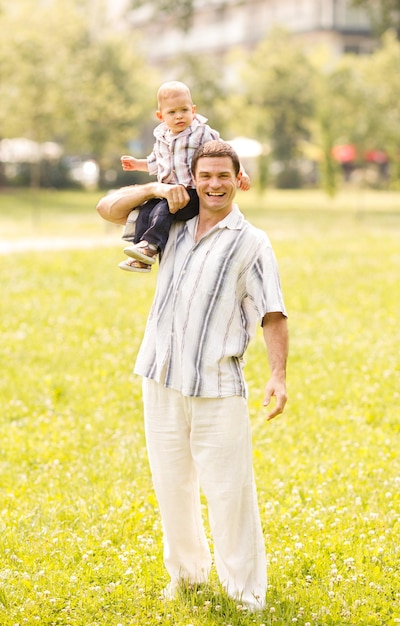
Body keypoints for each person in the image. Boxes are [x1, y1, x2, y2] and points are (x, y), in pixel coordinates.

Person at [96, 140, 288, 611]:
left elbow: (273, 314)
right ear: (193, 179)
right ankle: (187, 576)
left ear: (238, 179)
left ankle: (246, 594)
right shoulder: (170, 223)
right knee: (171, 487)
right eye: (206, 176)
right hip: (160, 375)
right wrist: (154, 186)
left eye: (223, 176)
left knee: (230, 493)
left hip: (216, 385)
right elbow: (107, 209)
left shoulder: (252, 242)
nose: (214, 184)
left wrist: (278, 376)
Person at [117, 80, 250, 272]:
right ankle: (142, 254)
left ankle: (151, 245)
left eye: (184, 110)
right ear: (160, 116)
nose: (179, 116)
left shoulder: (201, 132)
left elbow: (226, 153)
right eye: (172, 112)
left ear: (193, 110)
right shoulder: (161, 137)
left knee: (163, 209)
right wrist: (137, 164)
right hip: (167, 191)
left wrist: (241, 172)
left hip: (192, 193)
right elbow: (156, 162)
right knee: (146, 210)